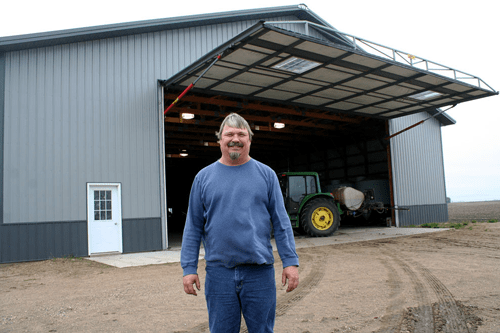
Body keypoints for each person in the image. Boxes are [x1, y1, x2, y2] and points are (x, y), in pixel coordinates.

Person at [181, 112, 299, 333]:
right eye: (229, 134)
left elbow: (281, 222)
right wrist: (189, 268)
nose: (235, 138)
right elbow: (193, 226)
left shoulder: (267, 175)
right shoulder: (203, 178)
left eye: (241, 134)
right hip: (219, 274)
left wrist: (290, 262)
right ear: (220, 140)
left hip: (259, 273)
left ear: (249, 140)